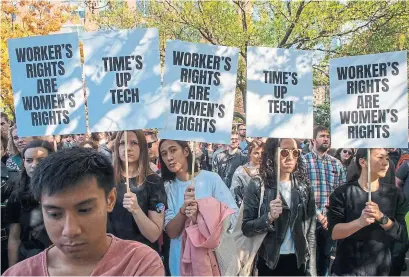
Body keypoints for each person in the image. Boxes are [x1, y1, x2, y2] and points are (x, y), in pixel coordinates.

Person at [3, 147, 165, 276]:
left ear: (110, 200)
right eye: (54, 214)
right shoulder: (19, 273)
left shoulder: (138, 263)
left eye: (84, 210)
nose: (70, 230)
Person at [159, 139, 238, 276]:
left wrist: (203, 213)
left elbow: (233, 217)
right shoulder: (168, 187)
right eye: (164, 154)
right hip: (179, 263)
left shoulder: (212, 179)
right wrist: (183, 211)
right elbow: (171, 233)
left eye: (173, 150)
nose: (169, 157)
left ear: (186, 151)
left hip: (210, 261)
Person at [328, 148, 409, 276]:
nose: (385, 163)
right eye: (380, 157)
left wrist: (382, 218)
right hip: (347, 270)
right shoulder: (342, 193)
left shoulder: (394, 195)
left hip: (381, 270)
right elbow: (334, 233)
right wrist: (359, 222)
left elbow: (402, 235)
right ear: (363, 162)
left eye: (387, 158)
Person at [242, 138, 317, 276]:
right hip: (268, 262)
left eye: (295, 153)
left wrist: (311, 271)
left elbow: (310, 234)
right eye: (284, 153)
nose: (290, 158)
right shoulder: (258, 184)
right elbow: (246, 228)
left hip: (298, 262)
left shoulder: (304, 186)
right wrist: (268, 217)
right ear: (272, 154)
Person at [108, 130, 166, 252]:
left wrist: (136, 210)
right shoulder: (105, 179)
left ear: (142, 148)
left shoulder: (154, 182)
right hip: (112, 255)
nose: (127, 148)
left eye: (133, 143)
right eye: (122, 143)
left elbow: (154, 235)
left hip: (142, 257)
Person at [302, 125, 346, 276]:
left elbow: (342, 193)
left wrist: (331, 216)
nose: (326, 138)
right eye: (322, 136)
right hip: (309, 219)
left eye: (328, 136)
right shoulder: (303, 162)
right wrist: (318, 215)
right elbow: (301, 194)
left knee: (325, 259)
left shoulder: (337, 164)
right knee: (308, 258)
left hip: (329, 221)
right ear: (313, 140)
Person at [7, 140, 55, 267]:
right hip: (30, 261)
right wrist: (12, 271)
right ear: (24, 162)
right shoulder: (16, 196)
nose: (34, 165)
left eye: (41, 160)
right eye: (29, 160)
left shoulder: (65, 192)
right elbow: (14, 238)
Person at [230, 139, 264, 207]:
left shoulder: (269, 170)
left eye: (262, 153)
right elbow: (234, 194)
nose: (260, 156)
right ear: (250, 154)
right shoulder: (241, 171)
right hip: (246, 209)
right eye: (256, 153)